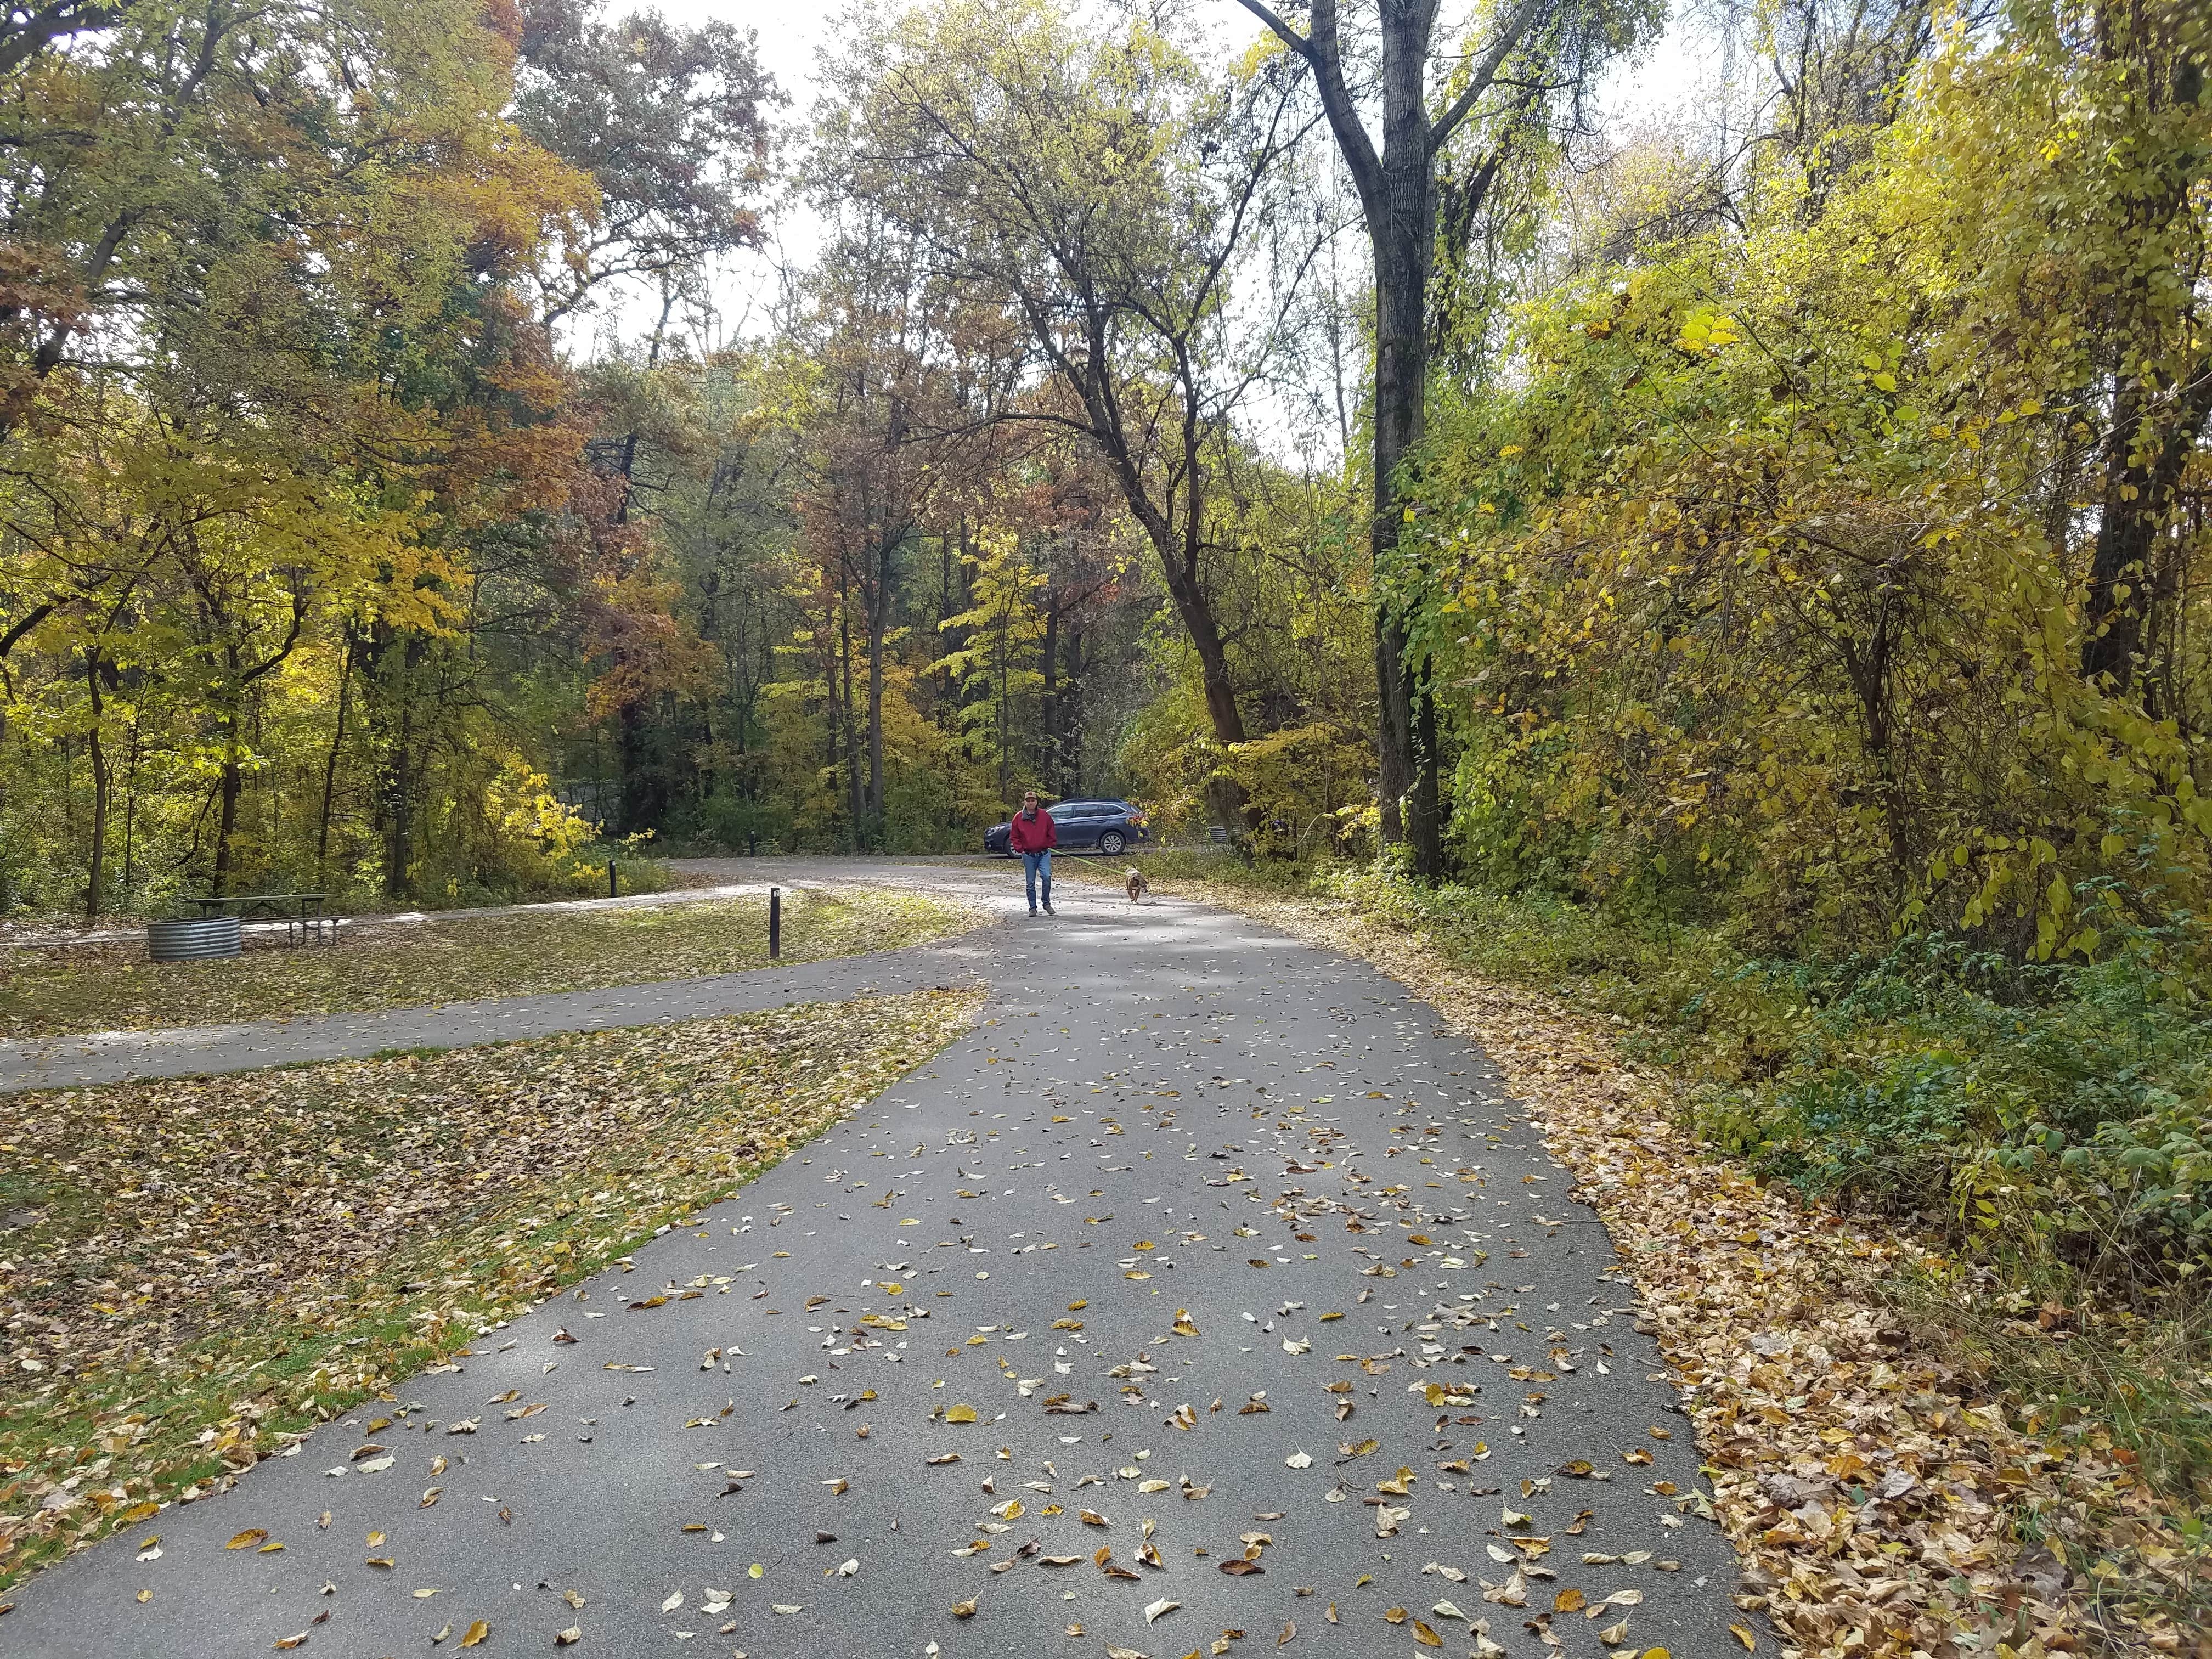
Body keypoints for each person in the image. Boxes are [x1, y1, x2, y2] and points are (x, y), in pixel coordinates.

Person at [1007, 788, 1057, 915]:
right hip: (1028, 855)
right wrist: (1021, 850)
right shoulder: (1018, 818)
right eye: (1028, 801)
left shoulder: (1044, 816)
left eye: (1033, 800)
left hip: (1043, 854)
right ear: (1025, 802)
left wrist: (1049, 844)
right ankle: (1033, 908)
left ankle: (1046, 903)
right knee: (1030, 882)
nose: (1031, 803)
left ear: (1037, 802)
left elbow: (1051, 830)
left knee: (1047, 877)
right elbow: (1014, 836)